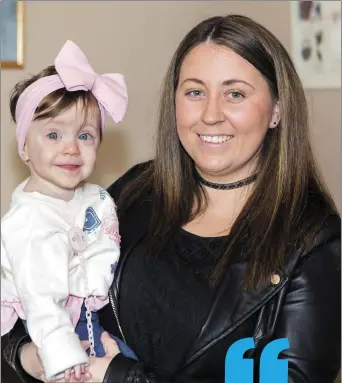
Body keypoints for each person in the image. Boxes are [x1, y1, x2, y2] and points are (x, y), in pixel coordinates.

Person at [3, 14, 341, 383]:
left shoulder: (313, 240)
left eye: (235, 94)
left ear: (276, 109)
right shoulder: (135, 192)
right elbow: (29, 287)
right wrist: (25, 354)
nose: (211, 115)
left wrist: (122, 377)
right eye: (195, 92)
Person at [1, 40, 137, 382]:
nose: (71, 148)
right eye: (53, 134)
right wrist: (63, 356)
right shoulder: (31, 220)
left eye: (86, 136)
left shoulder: (87, 198)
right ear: (24, 148)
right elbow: (42, 301)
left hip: (88, 319)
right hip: (50, 328)